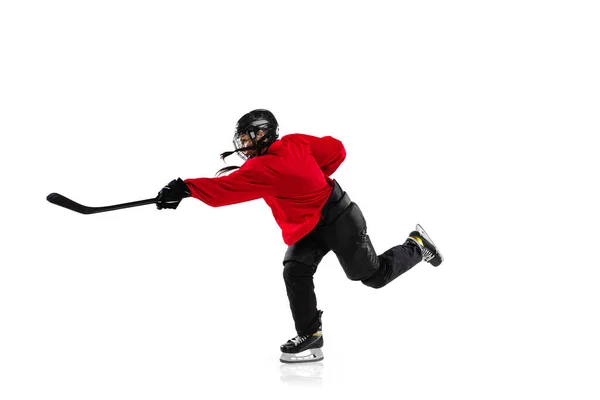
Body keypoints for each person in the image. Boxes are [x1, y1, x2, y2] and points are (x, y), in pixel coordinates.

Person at [156, 109, 443, 363]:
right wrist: (312, 176)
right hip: (310, 225)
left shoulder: (264, 167)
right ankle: (311, 336)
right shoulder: (295, 143)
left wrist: (185, 188)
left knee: (373, 276)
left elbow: (227, 190)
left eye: (247, 139)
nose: (243, 146)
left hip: (339, 218)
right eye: (240, 141)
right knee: (295, 269)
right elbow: (336, 150)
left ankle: (417, 246)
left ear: (264, 134)